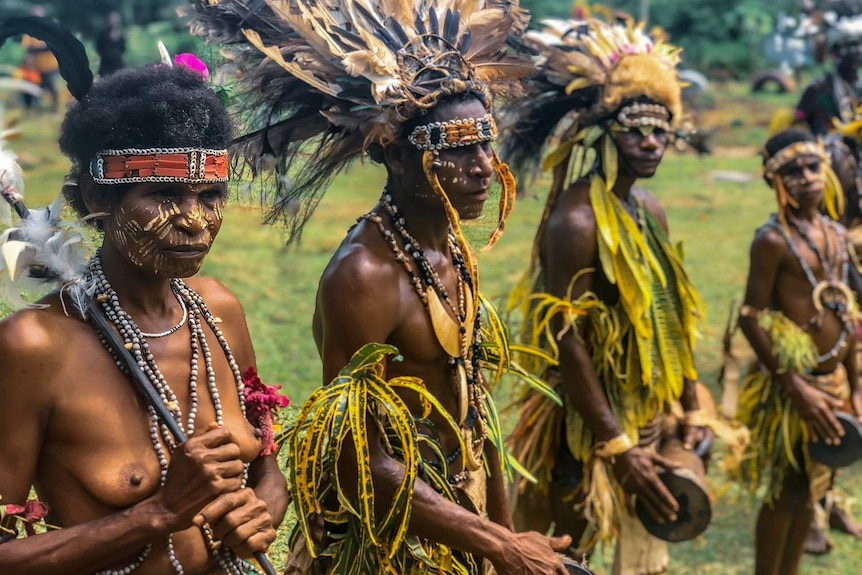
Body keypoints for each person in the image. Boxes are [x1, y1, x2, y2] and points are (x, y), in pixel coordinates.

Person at [191, 1, 574, 574]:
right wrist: (498, 544)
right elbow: (357, 464)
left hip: (459, 518)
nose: (482, 167)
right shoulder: (363, 276)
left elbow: (473, 404)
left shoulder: (446, 242)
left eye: (485, 143)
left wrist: (503, 532)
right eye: (454, 146)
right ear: (396, 155)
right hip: (386, 538)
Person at [0, 18, 288, 575]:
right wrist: (155, 513)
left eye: (211, 195)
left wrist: (265, 508)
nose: (194, 221)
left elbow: (265, 470)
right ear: (93, 195)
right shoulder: (33, 346)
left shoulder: (220, 311)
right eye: (163, 194)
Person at [500, 17, 708, 575]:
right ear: (601, 133)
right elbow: (563, 338)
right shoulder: (576, 218)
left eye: (662, 131)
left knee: (639, 548)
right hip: (583, 422)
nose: (650, 141)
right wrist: (614, 444)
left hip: (643, 410)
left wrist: (690, 400)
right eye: (635, 128)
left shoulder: (651, 210)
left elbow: (670, 314)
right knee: (577, 546)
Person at [734, 128, 862, 575]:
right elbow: (749, 318)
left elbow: (846, 313)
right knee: (787, 490)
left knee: (811, 491)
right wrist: (793, 386)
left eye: (812, 167)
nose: (806, 178)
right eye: (792, 172)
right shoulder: (771, 241)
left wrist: (856, 387)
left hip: (834, 384)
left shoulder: (837, 234)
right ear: (776, 182)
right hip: (794, 390)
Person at [795, 14, 862, 136]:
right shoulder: (818, 88)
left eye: (859, 44)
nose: (858, 50)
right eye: (851, 45)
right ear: (835, 53)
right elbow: (798, 122)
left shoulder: (859, 87)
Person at [95, 10, 126, 77]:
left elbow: (123, 49)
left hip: (118, 67)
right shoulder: (102, 35)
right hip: (105, 67)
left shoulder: (121, 36)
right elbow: (99, 48)